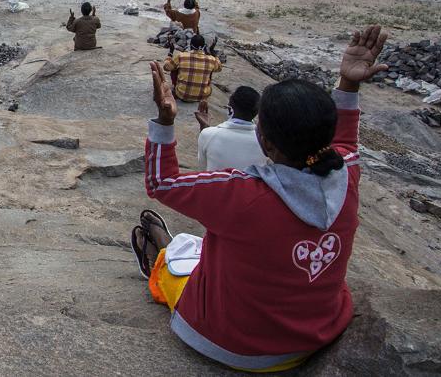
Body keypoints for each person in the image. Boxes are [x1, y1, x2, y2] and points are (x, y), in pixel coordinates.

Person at [132, 26, 387, 372]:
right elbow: (347, 145)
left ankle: (157, 257)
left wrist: (164, 122)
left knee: (178, 265)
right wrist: (349, 84)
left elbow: (161, 182)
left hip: (230, 344)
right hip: (314, 338)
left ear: (265, 142)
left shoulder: (244, 195)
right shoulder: (348, 176)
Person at [193, 86, 266, 171]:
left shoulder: (208, 134)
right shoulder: (265, 142)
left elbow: (203, 169)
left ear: (230, 108)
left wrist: (204, 128)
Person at [161, 34, 220, 103]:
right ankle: (200, 90)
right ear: (204, 46)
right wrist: (212, 53)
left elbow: (166, 67)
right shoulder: (211, 59)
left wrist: (170, 52)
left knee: (174, 67)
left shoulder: (181, 56)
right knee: (210, 68)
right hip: (202, 96)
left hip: (181, 95)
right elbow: (219, 68)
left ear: (191, 45)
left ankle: (177, 88)